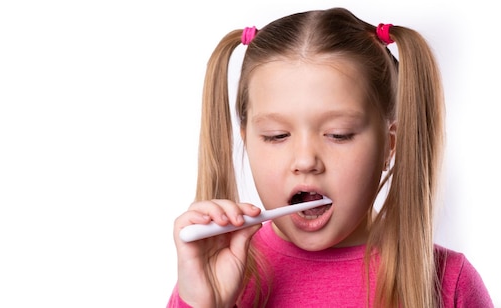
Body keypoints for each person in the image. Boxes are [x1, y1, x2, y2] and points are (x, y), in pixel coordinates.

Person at [167, 7, 493, 308]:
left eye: (339, 134)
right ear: (248, 141)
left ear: (389, 145)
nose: (306, 160)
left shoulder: (450, 284)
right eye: (276, 136)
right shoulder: (208, 281)